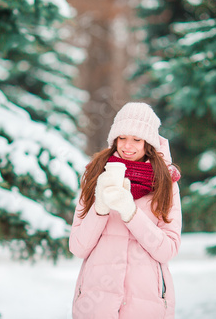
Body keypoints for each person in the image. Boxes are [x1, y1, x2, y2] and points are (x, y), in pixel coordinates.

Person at [69, 102, 182, 319]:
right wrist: (100, 209)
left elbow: (168, 249)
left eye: (136, 139)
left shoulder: (166, 183)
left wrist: (130, 212)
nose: (127, 146)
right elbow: (78, 247)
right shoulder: (95, 175)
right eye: (122, 138)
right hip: (96, 304)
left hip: (146, 305)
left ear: (148, 142)